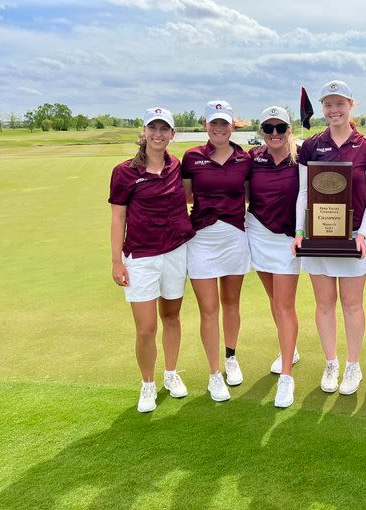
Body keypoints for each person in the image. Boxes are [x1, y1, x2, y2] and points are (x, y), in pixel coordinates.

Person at [292, 80, 366, 395]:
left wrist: (363, 234)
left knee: (353, 305)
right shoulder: (311, 145)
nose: (334, 110)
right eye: (328, 104)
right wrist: (300, 231)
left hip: (354, 237)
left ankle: (352, 365)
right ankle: (331, 363)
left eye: (339, 104)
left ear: (350, 105)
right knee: (324, 304)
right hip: (319, 236)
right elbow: (304, 192)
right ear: (323, 108)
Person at [108, 107, 195, 413]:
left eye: (164, 129)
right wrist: (117, 261)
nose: (158, 134)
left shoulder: (177, 166)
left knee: (171, 316)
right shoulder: (124, 172)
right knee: (146, 328)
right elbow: (118, 218)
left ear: (173, 134)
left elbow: (190, 198)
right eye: (152, 128)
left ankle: (171, 374)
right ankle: (148, 384)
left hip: (174, 252)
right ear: (143, 131)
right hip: (141, 256)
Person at [181, 100, 251, 402]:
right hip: (202, 239)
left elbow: (250, 196)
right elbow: (182, 197)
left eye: (224, 123)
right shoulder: (192, 157)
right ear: (205, 125)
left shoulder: (243, 158)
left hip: (235, 236)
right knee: (208, 310)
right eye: (214, 123)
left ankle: (231, 357)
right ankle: (214, 374)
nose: (219, 128)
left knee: (231, 303)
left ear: (232, 125)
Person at [246, 106, 301, 408]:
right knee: (273, 300)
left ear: (289, 130)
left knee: (283, 305)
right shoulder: (252, 159)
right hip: (258, 232)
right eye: (269, 128)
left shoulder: (301, 157)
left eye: (281, 128)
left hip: (288, 239)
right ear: (262, 131)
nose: (275, 133)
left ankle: (287, 377)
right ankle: (289, 348)